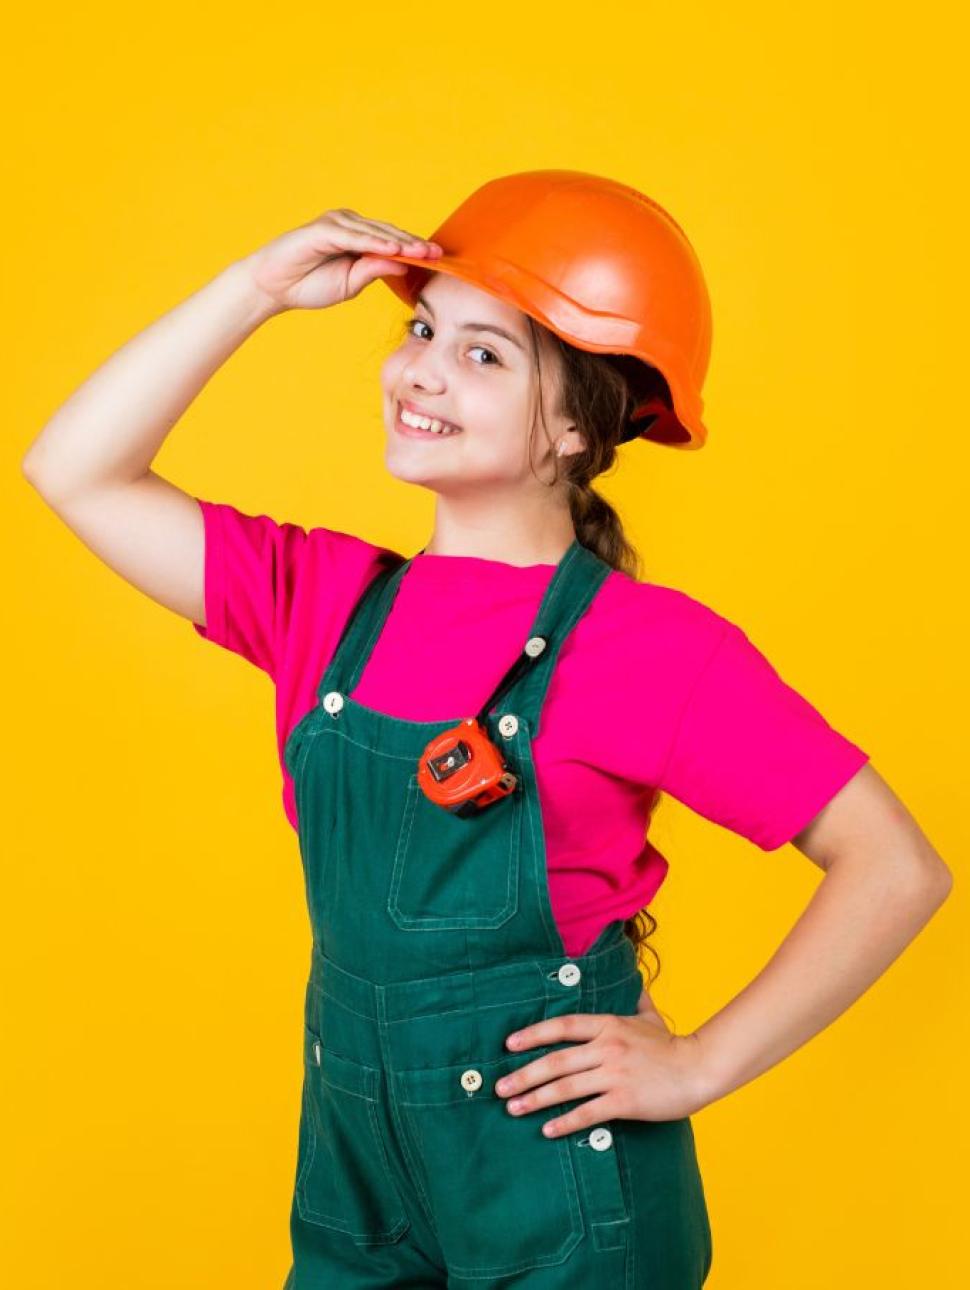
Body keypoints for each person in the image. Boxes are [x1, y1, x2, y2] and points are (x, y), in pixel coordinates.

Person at [22, 171, 952, 1289]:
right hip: (355, 1172)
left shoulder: (651, 650)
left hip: (560, 1186)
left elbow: (894, 865)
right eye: (422, 328)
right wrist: (253, 290)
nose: (420, 369)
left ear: (574, 423)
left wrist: (698, 1065)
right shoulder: (315, 602)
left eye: (483, 354)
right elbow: (70, 470)